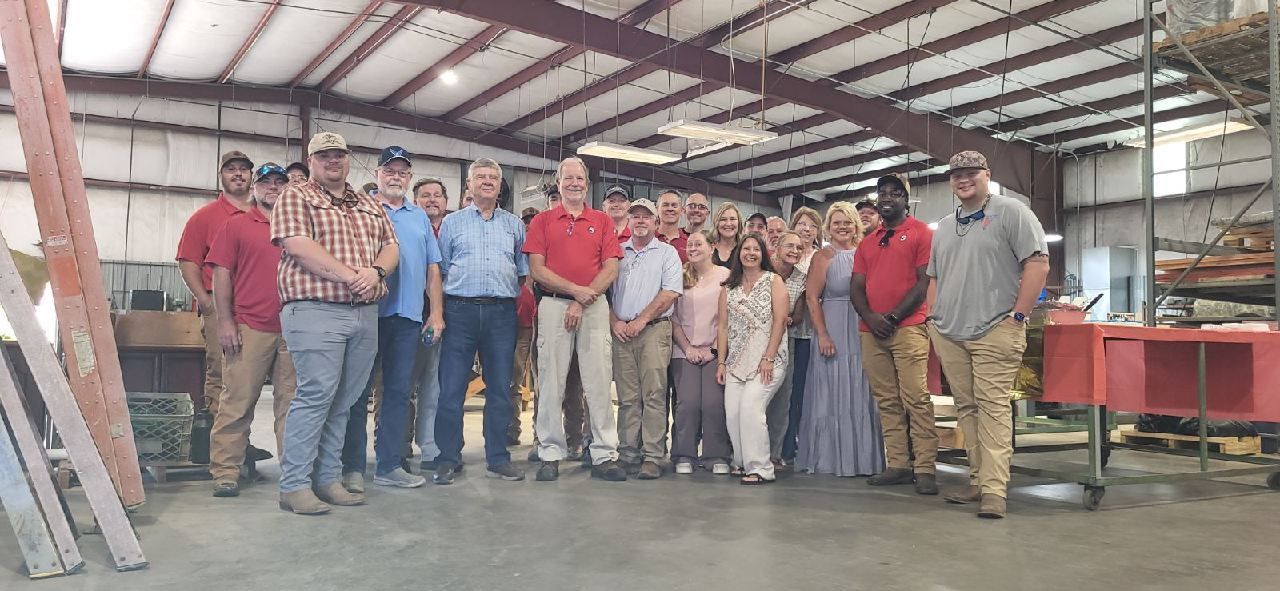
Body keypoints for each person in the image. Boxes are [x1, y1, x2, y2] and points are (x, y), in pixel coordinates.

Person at [272, 132, 398, 515]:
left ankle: (328, 479)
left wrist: (376, 271)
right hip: (315, 309)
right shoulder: (295, 195)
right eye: (324, 155)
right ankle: (294, 485)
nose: (333, 161)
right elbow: (296, 244)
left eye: (339, 155)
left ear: (348, 159)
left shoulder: (368, 202)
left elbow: (391, 246)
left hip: (363, 313)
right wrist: (351, 276)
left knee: (345, 400)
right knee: (315, 396)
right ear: (311, 160)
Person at [928, 151, 1049, 519]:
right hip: (949, 331)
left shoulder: (1012, 213)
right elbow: (934, 276)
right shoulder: (946, 225)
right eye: (955, 175)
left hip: (996, 328)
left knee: (993, 406)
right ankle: (979, 480)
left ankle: (995, 491)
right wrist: (933, 316)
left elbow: (1038, 263)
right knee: (967, 407)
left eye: (970, 173)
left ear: (986, 175)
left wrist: (1018, 315)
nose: (963, 180)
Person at [340, 147, 445, 491]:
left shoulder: (419, 218)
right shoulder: (359, 208)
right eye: (390, 170)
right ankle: (352, 467)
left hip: (409, 318)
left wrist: (437, 313)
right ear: (377, 173)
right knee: (357, 392)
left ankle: (388, 465)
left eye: (402, 172)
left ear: (409, 178)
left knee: (399, 392)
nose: (396, 176)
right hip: (368, 313)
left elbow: (433, 268)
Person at [525, 157, 627, 482]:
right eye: (567, 177)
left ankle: (604, 454)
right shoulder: (542, 221)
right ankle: (551, 453)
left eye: (579, 178)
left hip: (594, 306)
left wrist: (584, 299)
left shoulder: (602, 220)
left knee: (598, 381)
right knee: (550, 380)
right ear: (558, 182)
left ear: (586, 183)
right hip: (554, 305)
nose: (573, 183)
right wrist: (574, 292)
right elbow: (537, 269)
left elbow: (611, 267)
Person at [433, 158, 528, 485]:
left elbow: (521, 271)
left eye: (493, 177)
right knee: (452, 389)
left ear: (500, 185)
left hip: (501, 314)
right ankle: (448, 458)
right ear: (469, 186)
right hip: (459, 312)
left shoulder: (515, 225)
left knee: (500, 389)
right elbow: (441, 268)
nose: (487, 182)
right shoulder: (452, 224)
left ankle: (498, 458)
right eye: (480, 177)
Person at [205, 162, 294, 498]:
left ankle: (294, 470)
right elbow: (221, 275)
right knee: (237, 402)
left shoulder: (300, 227)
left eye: (280, 182)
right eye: (266, 182)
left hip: (294, 329)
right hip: (250, 327)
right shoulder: (237, 226)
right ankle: (226, 471)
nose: (273, 187)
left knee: (292, 406)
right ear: (255, 188)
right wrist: (225, 321)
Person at [852, 173, 938, 496]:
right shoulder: (868, 241)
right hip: (871, 331)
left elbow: (923, 282)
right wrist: (872, 318)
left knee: (915, 397)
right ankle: (899, 464)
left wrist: (893, 316)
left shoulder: (921, 233)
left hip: (909, 327)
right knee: (887, 400)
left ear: (905, 198)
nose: (887, 198)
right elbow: (856, 287)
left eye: (894, 193)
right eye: (881, 193)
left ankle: (926, 467)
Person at [795, 202, 884, 477]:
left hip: (861, 325)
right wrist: (822, 334)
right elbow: (811, 297)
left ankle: (863, 458)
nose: (842, 227)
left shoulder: (866, 252)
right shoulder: (824, 256)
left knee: (860, 387)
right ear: (828, 227)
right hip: (832, 323)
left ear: (856, 224)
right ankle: (831, 457)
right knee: (831, 389)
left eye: (847, 222)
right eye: (836, 223)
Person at [609, 198, 683, 479]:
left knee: (654, 394)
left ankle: (652, 455)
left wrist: (641, 320)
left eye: (646, 217)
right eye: (635, 216)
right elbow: (605, 291)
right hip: (621, 332)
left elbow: (670, 292)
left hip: (653, 329)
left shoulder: (667, 254)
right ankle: (628, 451)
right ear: (628, 221)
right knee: (628, 397)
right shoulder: (617, 253)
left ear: (656, 222)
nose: (640, 221)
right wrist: (615, 321)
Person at [177, 151, 254, 418]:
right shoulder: (205, 217)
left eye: (243, 169)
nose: (238, 174)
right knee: (221, 373)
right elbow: (188, 262)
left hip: (257, 307)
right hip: (219, 306)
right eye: (231, 169)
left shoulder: (265, 214)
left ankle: (241, 443)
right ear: (221, 175)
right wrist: (207, 303)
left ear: (251, 176)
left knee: (251, 377)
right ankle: (218, 445)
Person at [716, 234, 789, 485]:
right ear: (738, 254)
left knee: (750, 409)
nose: (750, 253)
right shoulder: (728, 288)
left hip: (769, 360)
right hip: (736, 362)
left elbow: (780, 321)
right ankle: (741, 461)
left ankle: (760, 468)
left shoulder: (774, 281)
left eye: (755, 249)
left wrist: (768, 357)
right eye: (745, 248)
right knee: (733, 414)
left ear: (763, 254)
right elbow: (723, 327)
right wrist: (721, 363)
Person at [671, 231, 731, 475]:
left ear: (712, 247)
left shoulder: (725, 276)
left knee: (714, 404)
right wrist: (687, 348)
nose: (692, 248)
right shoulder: (680, 276)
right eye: (690, 245)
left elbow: (728, 319)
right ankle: (683, 454)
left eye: (698, 244)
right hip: (683, 350)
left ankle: (716, 455)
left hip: (715, 350)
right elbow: (673, 318)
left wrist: (713, 349)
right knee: (687, 403)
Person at [410, 176, 449, 470]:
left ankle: (430, 446)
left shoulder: (453, 229)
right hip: (407, 316)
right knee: (398, 385)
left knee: (435, 384)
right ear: (415, 201)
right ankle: (394, 447)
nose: (432, 200)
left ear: (446, 203)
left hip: (444, 317)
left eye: (437, 195)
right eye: (425, 195)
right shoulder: (405, 227)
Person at [780, 206, 823, 462]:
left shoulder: (821, 257)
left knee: (804, 393)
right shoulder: (788, 257)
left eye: (812, 225)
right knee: (786, 392)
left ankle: (802, 443)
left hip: (810, 335)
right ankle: (785, 444)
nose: (806, 229)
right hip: (787, 333)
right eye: (801, 224)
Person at [765, 231, 808, 468]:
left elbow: (799, 315)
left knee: (782, 398)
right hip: (757, 340)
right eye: (789, 246)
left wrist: (786, 319)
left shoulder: (801, 277)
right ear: (777, 247)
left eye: (799, 248)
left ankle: (774, 451)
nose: (794, 251)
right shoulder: (763, 271)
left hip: (785, 341)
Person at [508, 207, 541, 446]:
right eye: (525, 223)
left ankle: (542, 435)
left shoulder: (547, 252)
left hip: (543, 324)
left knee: (545, 383)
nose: (529, 227)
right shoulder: (514, 253)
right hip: (517, 325)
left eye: (533, 223)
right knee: (511, 380)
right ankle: (510, 430)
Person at [710, 202, 742, 267]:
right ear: (716, 223)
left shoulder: (744, 249)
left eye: (732, 219)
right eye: (723, 219)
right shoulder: (707, 248)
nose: (728, 224)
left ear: (739, 222)